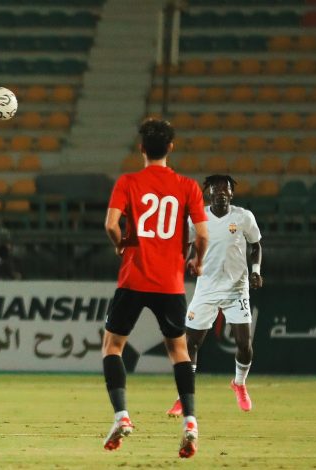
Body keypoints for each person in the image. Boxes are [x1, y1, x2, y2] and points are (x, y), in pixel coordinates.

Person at [101, 118, 208, 458]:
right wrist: (197, 262)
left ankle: (122, 416)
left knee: (113, 346)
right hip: (170, 281)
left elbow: (110, 225)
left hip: (134, 278)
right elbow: (202, 234)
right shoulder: (188, 186)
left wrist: (121, 245)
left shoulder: (129, 182)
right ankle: (190, 422)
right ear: (171, 148)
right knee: (179, 351)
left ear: (142, 148)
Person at [166, 174, 262, 416]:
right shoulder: (197, 218)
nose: (220, 192)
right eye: (216, 189)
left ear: (232, 193)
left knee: (244, 344)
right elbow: (184, 242)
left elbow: (256, 244)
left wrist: (256, 271)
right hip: (206, 288)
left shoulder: (243, 217)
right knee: (191, 343)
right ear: (208, 193)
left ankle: (239, 383)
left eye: (225, 189)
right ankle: (183, 397)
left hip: (236, 288)